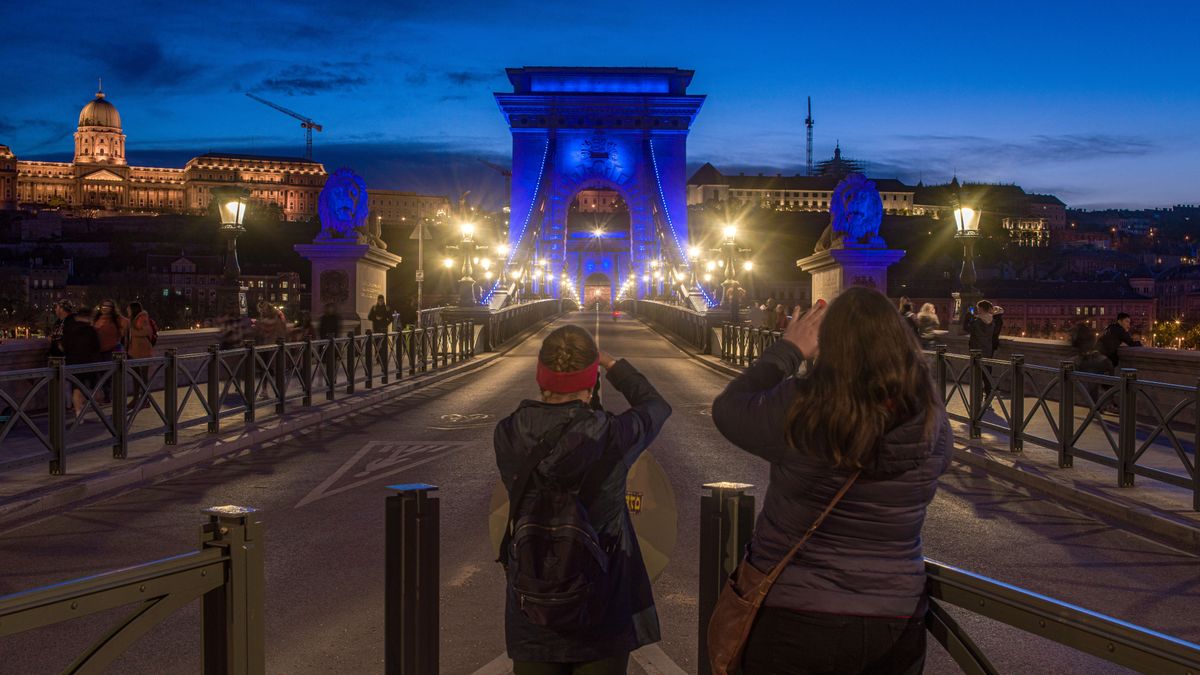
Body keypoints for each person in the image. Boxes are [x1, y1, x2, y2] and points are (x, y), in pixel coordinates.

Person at [712, 287, 952, 674]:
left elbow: (728, 409)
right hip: (895, 619)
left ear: (830, 346)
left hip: (795, 616)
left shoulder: (800, 407)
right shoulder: (931, 421)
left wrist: (788, 350)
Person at [493, 324, 671, 674]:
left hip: (534, 603)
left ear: (540, 376)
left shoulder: (508, 432)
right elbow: (656, 406)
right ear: (591, 380)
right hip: (602, 603)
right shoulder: (612, 435)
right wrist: (612, 364)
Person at [62, 306, 102, 423]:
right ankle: (97, 412)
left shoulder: (69, 329)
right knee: (94, 387)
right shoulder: (90, 330)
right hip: (89, 362)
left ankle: (78, 413)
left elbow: (64, 345)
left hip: (73, 361)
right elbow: (96, 347)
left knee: (76, 388)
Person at [964, 300, 1004, 395]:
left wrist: (968, 316)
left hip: (976, 350)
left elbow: (966, 328)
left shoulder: (977, 321)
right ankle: (988, 392)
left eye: (978, 309)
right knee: (987, 371)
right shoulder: (993, 321)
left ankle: (977, 395)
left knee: (977, 373)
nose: (977, 310)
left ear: (981, 309)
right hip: (988, 349)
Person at [1069, 323, 1114, 407]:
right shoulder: (1090, 336)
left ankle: (1096, 405)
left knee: (1092, 384)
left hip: (1085, 362)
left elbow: (1076, 348)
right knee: (1095, 382)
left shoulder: (1078, 336)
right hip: (1092, 361)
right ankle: (1105, 401)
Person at [125, 302, 155, 411]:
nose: (127, 311)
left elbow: (146, 331)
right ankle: (136, 399)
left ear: (133, 309)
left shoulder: (142, 317)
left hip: (143, 352)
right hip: (134, 352)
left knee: (143, 377)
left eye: (128, 309)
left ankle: (145, 399)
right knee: (135, 377)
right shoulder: (131, 320)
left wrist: (131, 331)